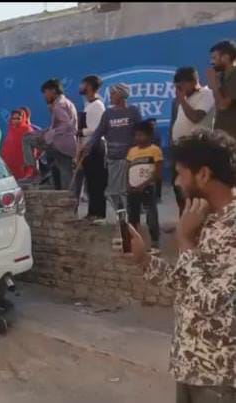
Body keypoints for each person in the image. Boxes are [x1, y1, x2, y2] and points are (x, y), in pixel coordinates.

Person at [129, 129, 236, 403]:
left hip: (220, 378)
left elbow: (210, 302)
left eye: (180, 173)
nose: (176, 182)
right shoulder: (204, 217)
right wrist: (144, 259)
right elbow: (186, 282)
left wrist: (185, 240)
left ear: (203, 174)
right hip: (190, 366)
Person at [78, 83, 142, 213]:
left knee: (125, 190)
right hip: (112, 159)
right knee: (112, 192)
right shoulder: (108, 113)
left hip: (129, 159)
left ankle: (130, 216)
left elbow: (140, 131)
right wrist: (88, 146)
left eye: (113, 93)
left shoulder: (133, 111)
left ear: (121, 95)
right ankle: (122, 214)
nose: (110, 96)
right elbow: (99, 132)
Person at [172, 67, 217, 214]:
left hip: (196, 148)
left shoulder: (206, 94)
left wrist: (182, 100)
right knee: (179, 188)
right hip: (180, 148)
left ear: (192, 82)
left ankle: (198, 218)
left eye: (181, 86)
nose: (179, 90)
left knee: (194, 188)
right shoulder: (182, 99)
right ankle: (184, 217)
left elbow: (196, 117)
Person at [23, 79, 78, 190]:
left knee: (26, 140)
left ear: (53, 91)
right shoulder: (66, 103)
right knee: (65, 174)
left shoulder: (59, 106)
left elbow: (65, 125)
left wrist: (46, 137)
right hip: (67, 144)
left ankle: (33, 171)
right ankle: (68, 195)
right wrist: (42, 132)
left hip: (60, 143)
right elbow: (57, 126)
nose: (44, 96)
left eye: (45, 93)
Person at [126, 121, 163, 251]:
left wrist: (144, 184)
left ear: (149, 136)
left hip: (148, 188)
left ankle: (154, 240)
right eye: (136, 135)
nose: (138, 138)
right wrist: (128, 184)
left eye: (141, 135)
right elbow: (128, 169)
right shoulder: (132, 151)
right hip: (132, 189)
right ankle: (132, 240)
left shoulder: (155, 150)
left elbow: (157, 172)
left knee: (151, 214)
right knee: (132, 215)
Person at [76, 75, 107, 221]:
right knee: (90, 181)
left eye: (83, 84)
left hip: (95, 146)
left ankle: (99, 213)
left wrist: (80, 132)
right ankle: (92, 212)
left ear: (89, 86)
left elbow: (97, 129)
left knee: (97, 182)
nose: (80, 86)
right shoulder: (88, 104)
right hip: (87, 146)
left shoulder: (97, 105)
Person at [206, 40, 236, 137]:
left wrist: (213, 84)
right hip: (222, 133)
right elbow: (218, 106)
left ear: (226, 58)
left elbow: (223, 105)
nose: (211, 62)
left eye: (214, 58)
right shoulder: (220, 77)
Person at [0, 109, 34, 180]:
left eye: (18, 118)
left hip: (21, 164)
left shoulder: (27, 129)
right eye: (13, 118)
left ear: (23, 118)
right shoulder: (11, 129)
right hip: (9, 163)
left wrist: (27, 164)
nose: (15, 121)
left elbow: (32, 150)